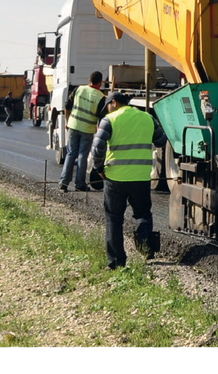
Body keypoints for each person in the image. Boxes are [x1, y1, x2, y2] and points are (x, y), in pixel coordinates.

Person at [89, 91, 166, 268]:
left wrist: (98, 168)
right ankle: (146, 248)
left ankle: (116, 261)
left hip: (115, 177)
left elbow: (97, 147)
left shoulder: (109, 120)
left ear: (114, 103)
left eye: (108, 106)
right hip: (140, 177)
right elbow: (161, 140)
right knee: (143, 214)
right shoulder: (147, 118)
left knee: (114, 218)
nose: (107, 110)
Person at [58, 71, 105, 192]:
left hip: (73, 125)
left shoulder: (79, 89)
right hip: (87, 129)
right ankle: (80, 184)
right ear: (100, 82)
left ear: (89, 79)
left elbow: (67, 107)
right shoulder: (100, 97)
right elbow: (101, 118)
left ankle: (63, 182)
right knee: (82, 155)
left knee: (70, 153)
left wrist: (67, 122)